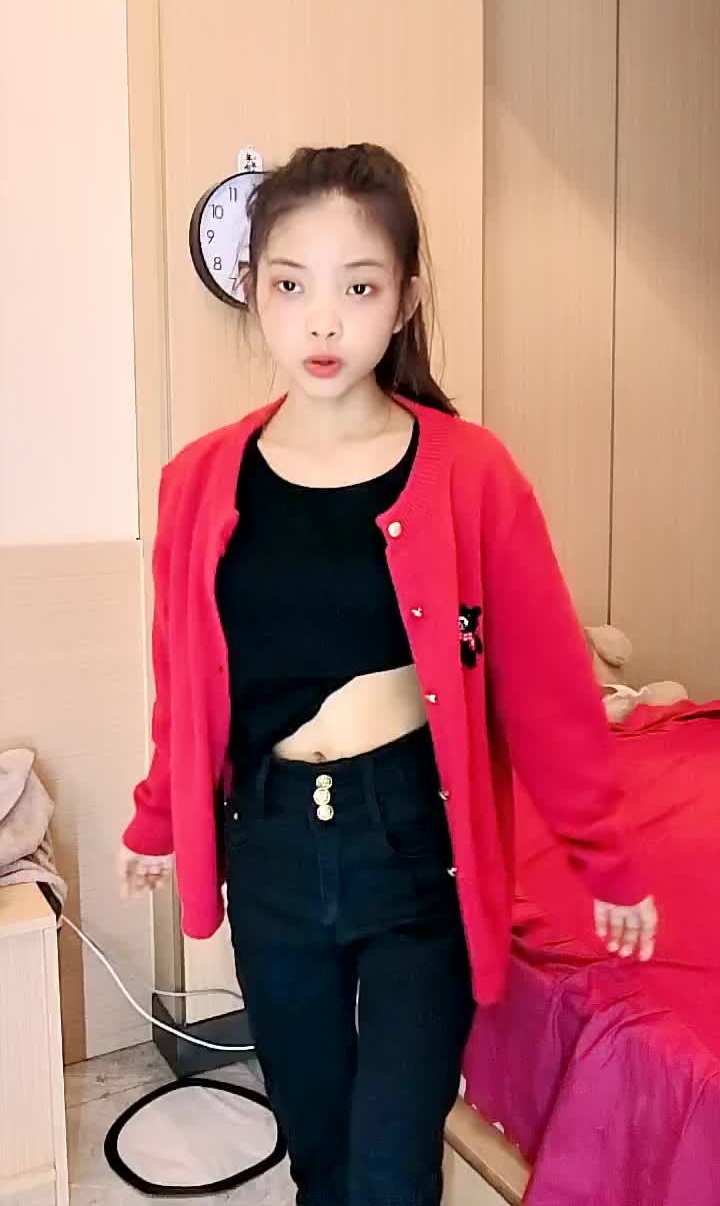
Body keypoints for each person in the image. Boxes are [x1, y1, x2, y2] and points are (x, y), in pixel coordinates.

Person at [117, 143, 658, 1206]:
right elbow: (185, 676)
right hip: (270, 849)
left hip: (413, 849)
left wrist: (605, 857)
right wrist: (157, 818)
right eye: (292, 286)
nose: (323, 323)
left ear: (404, 300)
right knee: (320, 1155)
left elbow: (547, 689)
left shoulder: (470, 472)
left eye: (358, 288)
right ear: (255, 293)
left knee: (392, 1171)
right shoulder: (198, 481)